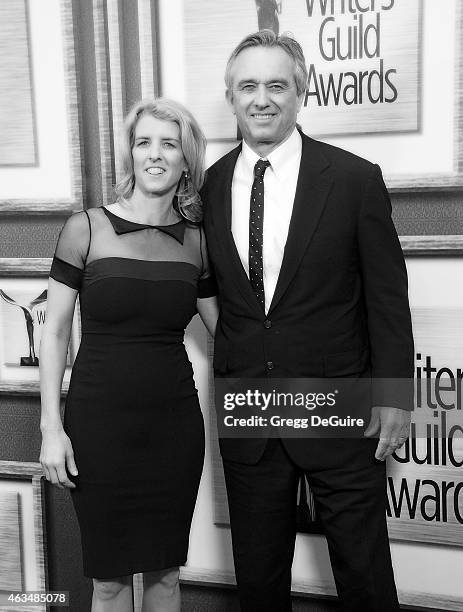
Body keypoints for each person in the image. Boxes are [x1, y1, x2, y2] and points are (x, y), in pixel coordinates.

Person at [201, 30, 414, 611]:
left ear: (302, 92)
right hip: (250, 413)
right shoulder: (211, 184)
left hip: (340, 408)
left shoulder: (353, 179)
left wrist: (394, 394)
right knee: (259, 583)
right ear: (231, 97)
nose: (262, 99)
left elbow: (388, 299)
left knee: (365, 578)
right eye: (248, 86)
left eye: (277, 85)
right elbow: (214, 293)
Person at [39, 98, 218, 612]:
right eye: (144, 142)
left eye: (169, 144)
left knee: (165, 575)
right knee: (110, 581)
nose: (155, 155)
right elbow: (53, 333)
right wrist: (52, 428)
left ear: (187, 159)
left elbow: (229, 333)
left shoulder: (198, 244)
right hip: (98, 428)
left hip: (174, 429)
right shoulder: (86, 228)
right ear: (131, 154)